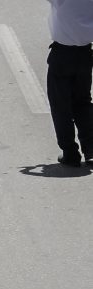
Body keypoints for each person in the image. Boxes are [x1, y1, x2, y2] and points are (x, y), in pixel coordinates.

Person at [45, 0, 93, 166]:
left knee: (60, 106)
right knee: (83, 102)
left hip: (62, 55)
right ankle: (90, 149)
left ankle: (70, 152)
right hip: (85, 53)